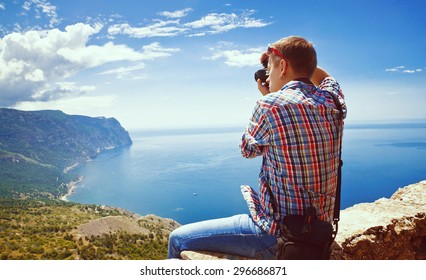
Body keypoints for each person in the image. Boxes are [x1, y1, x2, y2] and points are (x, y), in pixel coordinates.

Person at [167, 36, 346, 259]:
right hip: (320, 234)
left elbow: (247, 149)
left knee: (177, 239)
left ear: (283, 66)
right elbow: (328, 79)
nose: (267, 75)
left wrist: (272, 95)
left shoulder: (268, 105)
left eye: (269, 67)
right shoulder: (333, 101)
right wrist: (304, 62)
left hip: (278, 236)